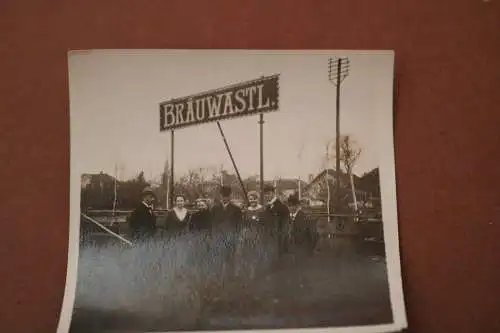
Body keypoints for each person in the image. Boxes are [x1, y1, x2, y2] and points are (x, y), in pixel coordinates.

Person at [262, 184, 290, 255]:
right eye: (265, 194)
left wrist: (280, 241)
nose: (266, 196)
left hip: (278, 242)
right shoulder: (267, 207)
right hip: (268, 241)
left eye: (268, 193)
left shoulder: (282, 207)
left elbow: (285, 227)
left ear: (273, 193)